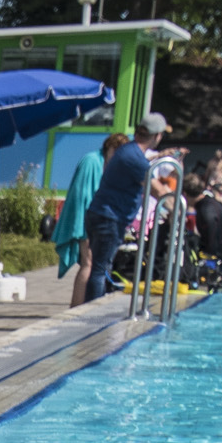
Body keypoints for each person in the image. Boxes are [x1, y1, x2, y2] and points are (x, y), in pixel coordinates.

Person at [80, 112, 160, 303]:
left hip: (101, 213)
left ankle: (91, 309)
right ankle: (92, 314)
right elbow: (157, 190)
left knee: (99, 266)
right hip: (109, 217)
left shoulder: (128, 151)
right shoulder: (135, 159)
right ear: (157, 136)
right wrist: (177, 207)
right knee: (100, 269)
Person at [54, 133, 107, 291]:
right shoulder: (92, 161)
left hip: (89, 219)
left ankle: (79, 303)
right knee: (88, 264)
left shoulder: (97, 161)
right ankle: (77, 305)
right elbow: (82, 195)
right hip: (86, 221)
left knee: (89, 264)